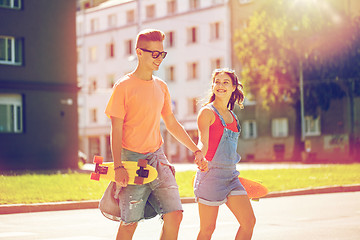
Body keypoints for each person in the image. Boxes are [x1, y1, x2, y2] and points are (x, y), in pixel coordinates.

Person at [105, 29, 207, 240]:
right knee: (129, 222)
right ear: (139, 52)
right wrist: (118, 166)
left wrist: (196, 150)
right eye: (154, 54)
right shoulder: (123, 86)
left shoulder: (161, 86)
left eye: (162, 54)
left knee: (175, 214)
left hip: (157, 157)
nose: (159, 59)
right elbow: (115, 130)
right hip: (131, 160)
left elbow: (171, 123)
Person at [194, 68, 256, 240]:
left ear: (234, 87)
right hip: (210, 176)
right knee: (207, 229)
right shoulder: (207, 112)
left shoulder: (233, 117)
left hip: (231, 177)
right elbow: (203, 141)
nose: (220, 85)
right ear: (213, 85)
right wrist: (201, 155)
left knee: (249, 221)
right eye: (217, 82)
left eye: (225, 82)